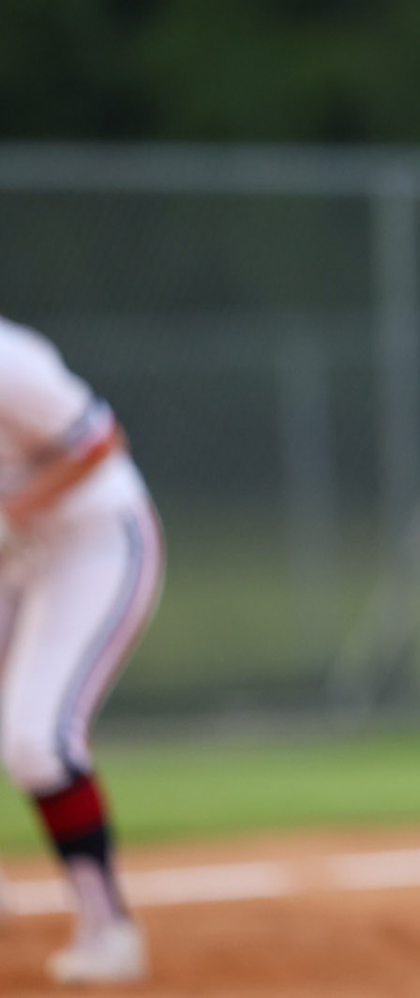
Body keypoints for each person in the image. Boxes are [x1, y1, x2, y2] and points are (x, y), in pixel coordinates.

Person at [0, 316, 162, 984]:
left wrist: (14, 513)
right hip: (21, 554)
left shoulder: (9, 362)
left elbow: (98, 440)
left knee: (38, 738)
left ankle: (109, 930)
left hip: (95, 540)